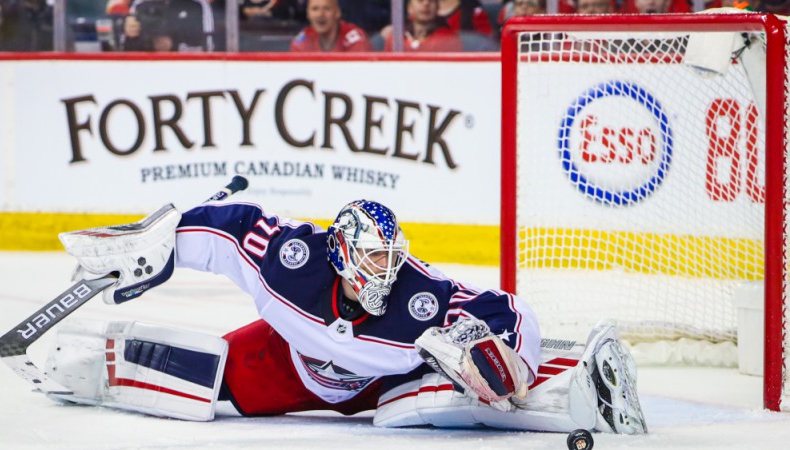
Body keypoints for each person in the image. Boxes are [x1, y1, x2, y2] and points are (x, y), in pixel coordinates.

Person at [44, 196, 646, 434]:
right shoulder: (292, 260)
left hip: (382, 383)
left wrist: (497, 348)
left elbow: (506, 311)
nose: (384, 273)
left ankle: (586, 377)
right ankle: (95, 366)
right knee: (210, 377)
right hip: (292, 362)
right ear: (340, 254)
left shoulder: (422, 297)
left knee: (459, 396)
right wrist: (158, 245)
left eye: (391, 259)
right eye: (371, 259)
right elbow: (229, 228)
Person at [290, 0, 372, 52]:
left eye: (327, 8)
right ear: (307, 14)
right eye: (315, 9)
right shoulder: (302, 41)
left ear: (337, 12)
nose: (320, 14)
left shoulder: (355, 39)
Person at [383, 0, 462, 52]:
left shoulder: (449, 39)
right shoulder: (396, 37)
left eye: (431, 1)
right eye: (420, 0)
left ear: (438, 8)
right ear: (409, 8)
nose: (426, 4)